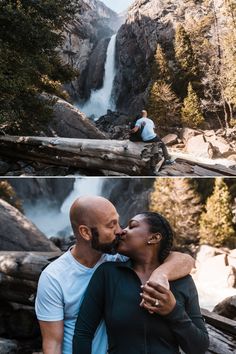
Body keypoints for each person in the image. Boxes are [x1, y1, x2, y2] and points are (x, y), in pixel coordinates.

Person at [35, 196, 195, 354]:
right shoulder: (54, 277)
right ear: (85, 232)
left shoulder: (119, 257)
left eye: (118, 222)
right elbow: (52, 345)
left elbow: (185, 260)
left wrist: (160, 274)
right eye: (111, 225)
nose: (119, 230)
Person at [73, 212, 209, 354]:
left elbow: (199, 348)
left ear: (154, 238)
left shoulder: (183, 281)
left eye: (132, 226)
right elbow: (83, 333)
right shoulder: (108, 274)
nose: (121, 231)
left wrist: (173, 311)